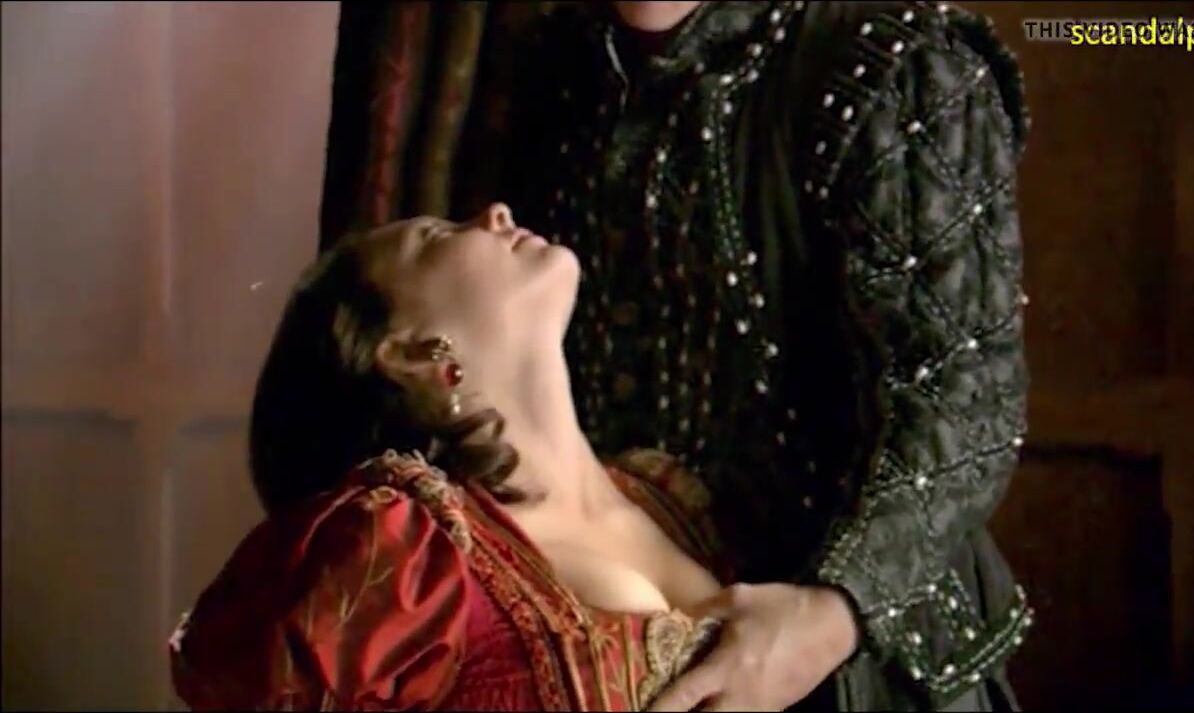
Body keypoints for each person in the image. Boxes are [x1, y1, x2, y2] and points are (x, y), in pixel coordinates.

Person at [500, 1, 1034, 710]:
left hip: (866, 659)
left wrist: (834, 610)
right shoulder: (558, 64)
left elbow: (967, 393)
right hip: (633, 637)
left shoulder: (890, 56)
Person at [168, 203, 859, 710]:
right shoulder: (404, 558)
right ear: (407, 352)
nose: (494, 212)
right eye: (437, 236)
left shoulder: (678, 499)